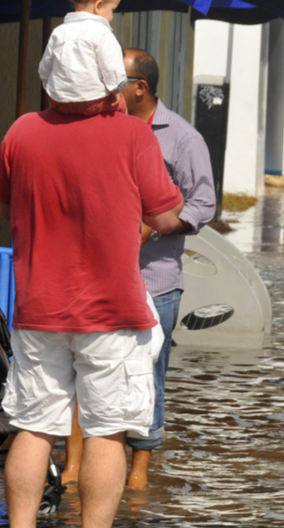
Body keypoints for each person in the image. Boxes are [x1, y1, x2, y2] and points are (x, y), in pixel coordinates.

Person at [0, 93, 184, 528]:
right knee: (107, 431)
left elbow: (5, 205)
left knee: (34, 427)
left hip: (39, 305)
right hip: (111, 308)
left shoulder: (22, 130)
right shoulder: (132, 132)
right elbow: (166, 213)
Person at [58, 49, 217, 489]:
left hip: (155, 278)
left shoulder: (183, 139)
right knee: (82, 367)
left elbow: (204, 203)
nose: (107, 89)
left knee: (149, 374)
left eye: (116, 81)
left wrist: (156, 228)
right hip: (96, 275)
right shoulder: (101, 131)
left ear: (140, 88)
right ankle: (72, 467)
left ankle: (139, 474)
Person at [38, 0, 128, 116]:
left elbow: (44, 68)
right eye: (113, 10)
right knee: (122, 105)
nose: (112, 16)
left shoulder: (59, 31)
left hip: (59, 103)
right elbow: (112, 68)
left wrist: (51, 86)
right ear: (98, 6)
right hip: (93, 102)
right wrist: (116, 90)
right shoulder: (102, 32)